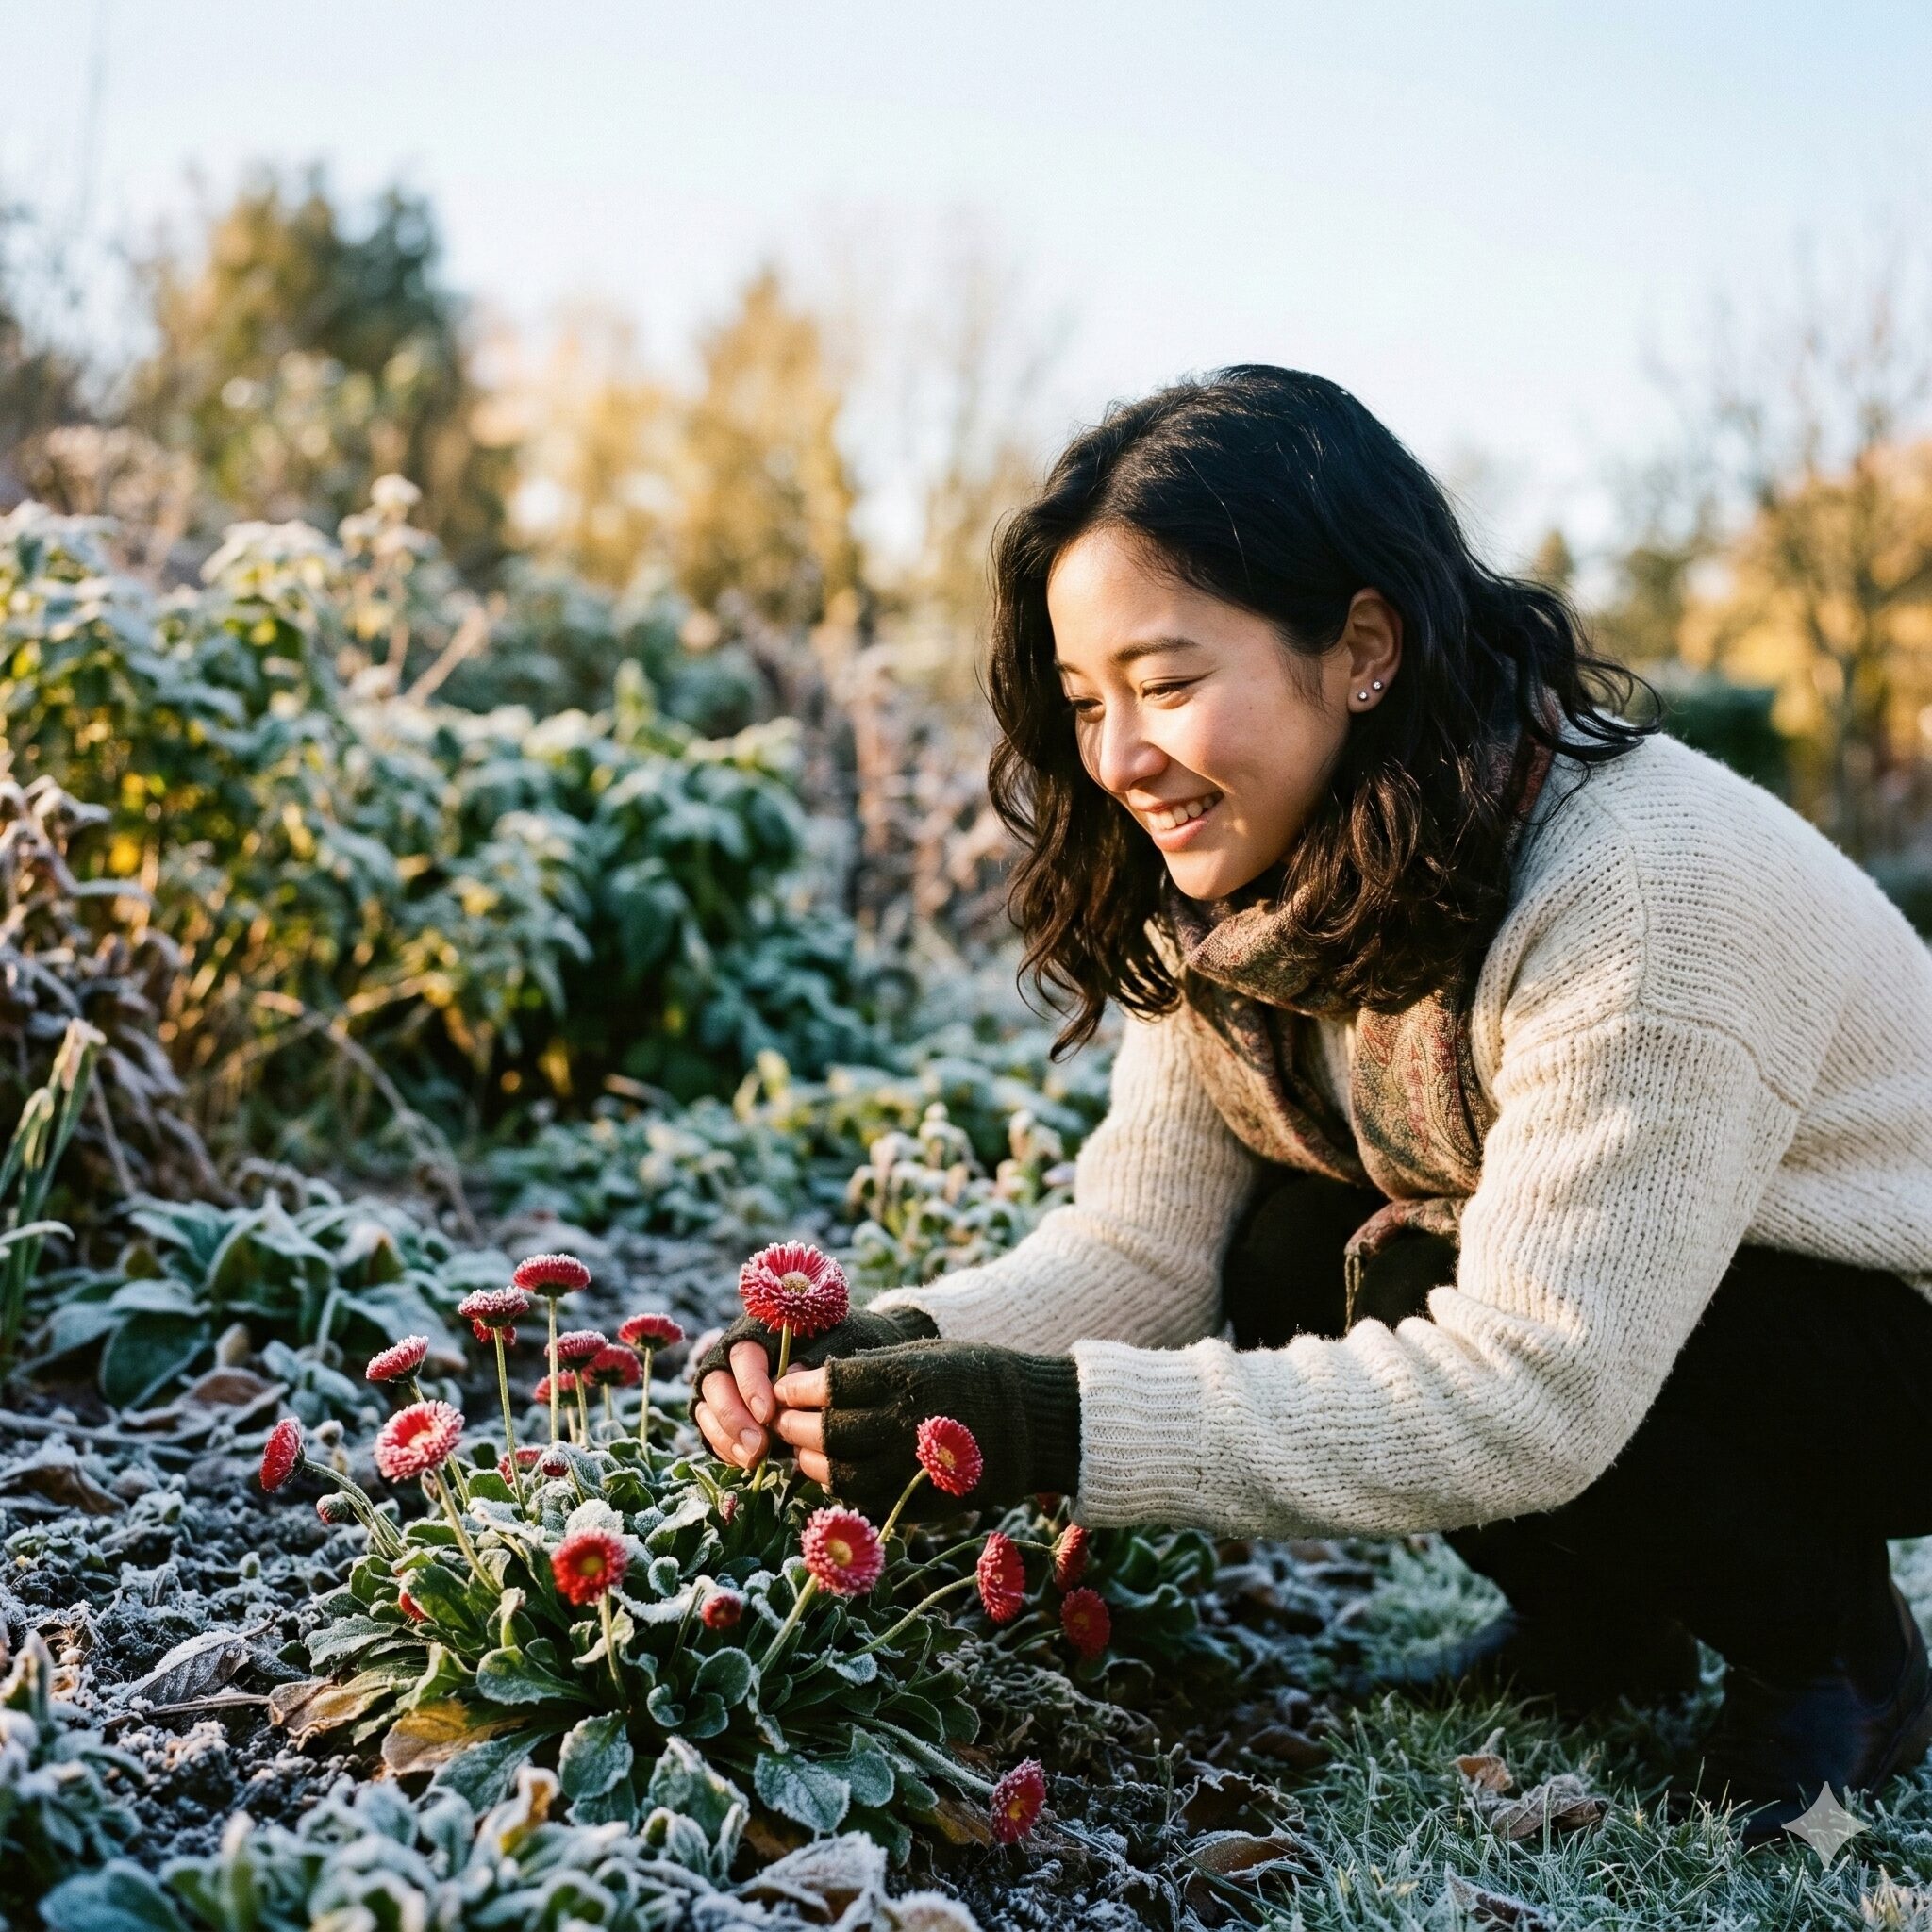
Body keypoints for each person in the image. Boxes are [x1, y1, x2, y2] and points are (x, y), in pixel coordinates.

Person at [692, 365, 1932, 1842]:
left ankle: (1837, 1655)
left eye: (1166, 685)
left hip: (1889, 1329)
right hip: (1685, 1309)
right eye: (1086, 702)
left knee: (1414, 1280)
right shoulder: (1248, 890)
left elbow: (1536, 1390)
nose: (1118, 759)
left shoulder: (1634, 890)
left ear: (1362, 649)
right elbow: (1145, 1253)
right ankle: (1605, 1631)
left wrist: (1050, 1428)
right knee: (1290, 1250)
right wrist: (896, 1352)